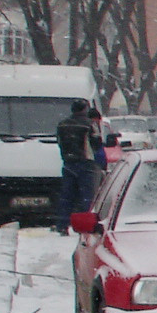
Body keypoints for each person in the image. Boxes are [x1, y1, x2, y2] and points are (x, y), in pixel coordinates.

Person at [53, 100, 102, 234]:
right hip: (85, 162)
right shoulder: (89, 124)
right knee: (87, 197)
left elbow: (59, 142)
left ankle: (62, 225)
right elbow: (97, 143)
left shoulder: (62, 124)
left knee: (67, 196)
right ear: (84, 109)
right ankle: (85, 226)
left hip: (68, 162)